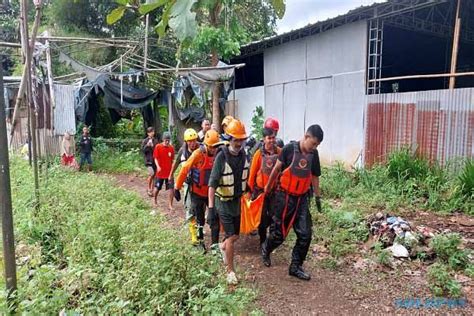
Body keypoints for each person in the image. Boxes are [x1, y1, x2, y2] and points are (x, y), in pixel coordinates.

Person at [261, 124, 324, 281]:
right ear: (306, 136)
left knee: (305, 234)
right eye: (313, 143)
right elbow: (276, 169)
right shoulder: (289, 149)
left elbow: (315, 176)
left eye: (317, 145)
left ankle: (295, 266)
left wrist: (317, 197)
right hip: (284, 197)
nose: (314, 147)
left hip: (302, 198)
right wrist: (268, 188)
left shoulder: (313, 155)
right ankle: (266, 248)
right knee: (278, 235)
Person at [208, 119, 250, 285]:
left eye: (241, 139)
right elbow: (212, 185)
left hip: (237, 202)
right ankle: (230, 271)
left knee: (235, 237)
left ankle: (221, 246)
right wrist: (211, 209)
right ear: (229, 139)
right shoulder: (221, 157)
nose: (239, 143)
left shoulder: (244, 156)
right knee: (231, 235)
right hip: (223, 202)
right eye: (236, 139)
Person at [174, 130, 220, 249]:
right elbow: (184, 170)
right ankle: (200, 242)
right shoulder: (197, 154)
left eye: (215, 146)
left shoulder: (219, 154)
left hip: (212, 192)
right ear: (206, 144)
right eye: (211, 147)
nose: (213, 149)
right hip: (197, 193)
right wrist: (177, 187)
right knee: (199, 220)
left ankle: (215, 245)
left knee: (214, 219)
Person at [248, 127, 282, 246]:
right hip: (260, 192)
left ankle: (270, 243)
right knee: (261, 219)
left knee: (274, 218)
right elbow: (252, 174)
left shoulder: (280, 152)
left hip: (275, 192)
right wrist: (249, 192)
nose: (272, 141)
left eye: (273, 138)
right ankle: (263, 242)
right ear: (264, 139)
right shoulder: (258, 154)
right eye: (269, 138)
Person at [168, 128, 200, 210]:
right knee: (189, 206)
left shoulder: (201, 149)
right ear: (186, 141)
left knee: (199, 205)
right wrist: (171, 175)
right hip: (188, 181)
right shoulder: (182, 151)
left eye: (194, 140)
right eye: (190, 141)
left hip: (199, 181)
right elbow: (176, 163)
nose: (192, 143)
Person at [153, 131, 175, 212]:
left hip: (169, 173)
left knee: (171, 189)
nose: (167, 141)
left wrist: (172, 170)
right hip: (160, 173)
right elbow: (155, 158)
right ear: (163, 139)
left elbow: (172, 160)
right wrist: (158, 166)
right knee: (157, 188)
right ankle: (155, 200)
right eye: (166, 140)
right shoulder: (158, 147)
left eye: (168, 140)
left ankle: (170, 205)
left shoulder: (171, 148)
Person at [142, 127, 159, 197]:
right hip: (148, 160)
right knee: (151, 174)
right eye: (150, 132)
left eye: (153, 131)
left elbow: (157, 150)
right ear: (148, 133)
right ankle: (148, 188)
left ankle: (152, 190)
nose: (152, 133)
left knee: (155, 176)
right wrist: (147, 145)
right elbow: (143, 150)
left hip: (155, 160)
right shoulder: (145, 141)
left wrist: (153, 146)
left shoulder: (155, 140)